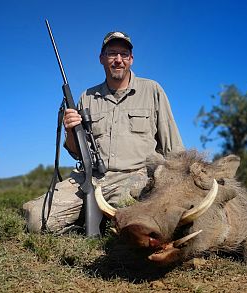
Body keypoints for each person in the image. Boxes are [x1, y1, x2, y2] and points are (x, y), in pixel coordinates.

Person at [23, 31, 184, 234]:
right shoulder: (86, 97)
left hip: (137, 178)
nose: (118, 60)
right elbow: (76, 153)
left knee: (133, 226)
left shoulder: (152, 90)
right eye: (112, 53)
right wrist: (70, 130)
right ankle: (86, 220)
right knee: (36, 221)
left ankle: (100, 221)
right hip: (92, 178)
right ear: (102, 58)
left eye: (124, 54)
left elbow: (174, 148)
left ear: (131, 59)